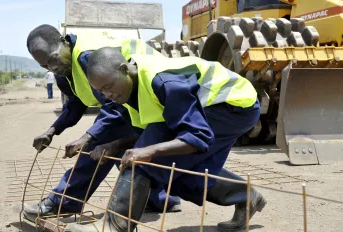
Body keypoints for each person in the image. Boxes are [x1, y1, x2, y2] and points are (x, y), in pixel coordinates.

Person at [63, 47, 267, 232]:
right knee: (178, 177)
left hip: (234, 105)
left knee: (149, 155)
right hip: (212, 108)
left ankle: (115, 225)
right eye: (101, 91)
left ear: (125, 69)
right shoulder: (126, 92)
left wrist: (148, 151)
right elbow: (143, 133)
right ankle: (247, 196)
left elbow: (198, 136)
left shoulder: (164, 83)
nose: (106, 95)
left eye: (108, 86)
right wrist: (114, 145)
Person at [23, 24, 181, 220]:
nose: (52, 67)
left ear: (64, 42)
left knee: (97, 145)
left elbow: (113, 106)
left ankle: (65, 201)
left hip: (159, 88)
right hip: (132, 97)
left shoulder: (86, 57)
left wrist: (87, 137)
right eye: (45, 66)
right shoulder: (63, 71)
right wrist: (52, 130)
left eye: (53, 59)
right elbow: (75, 104)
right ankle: (158, 199)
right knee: (120, 150)